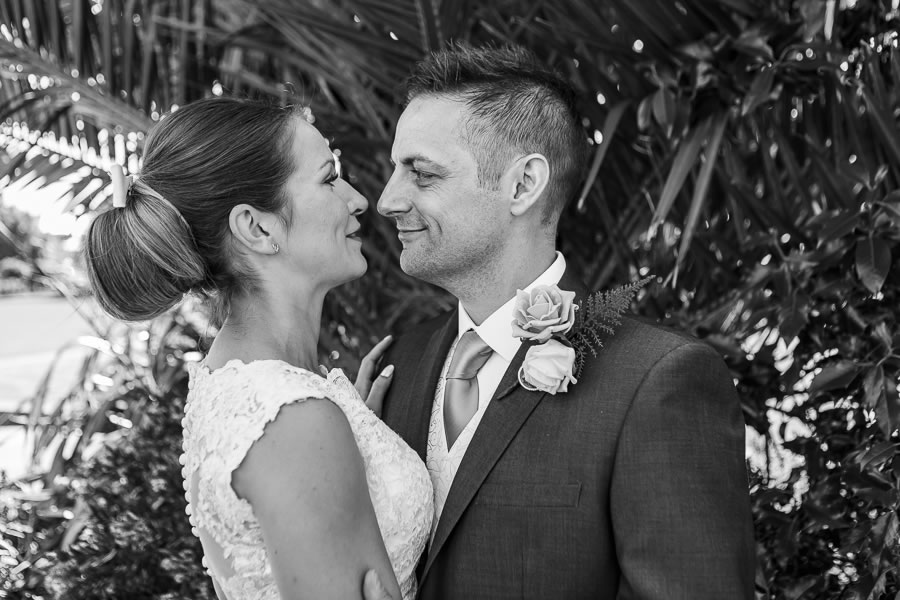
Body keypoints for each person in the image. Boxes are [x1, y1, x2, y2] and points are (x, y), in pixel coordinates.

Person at [376, 43, 756, 599]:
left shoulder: (658, 381)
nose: (387, 200)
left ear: (523, 185)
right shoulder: (396, 366)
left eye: (422, 173)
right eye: (395, 170)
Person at [84, 97, 427, 600]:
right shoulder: (294, 419)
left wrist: (361, 447)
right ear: (257, 228)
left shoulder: (243, 387)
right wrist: (321, 435)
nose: (357, 200)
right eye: (329, 178)